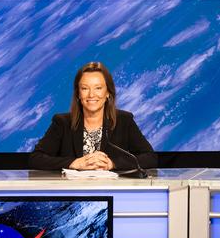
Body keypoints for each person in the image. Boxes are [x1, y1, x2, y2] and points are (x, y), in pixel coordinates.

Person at [29, 62, 157, 171]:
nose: (91, 95)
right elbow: (35, 159)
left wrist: (112, 164)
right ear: (78, 94)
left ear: (108, 93)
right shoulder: (62, 123)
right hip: (73, 196)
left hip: (112, 194)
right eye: (85, 88)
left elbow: (150, 158)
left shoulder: (124, 121)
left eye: (98, 88)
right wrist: (75, 163)